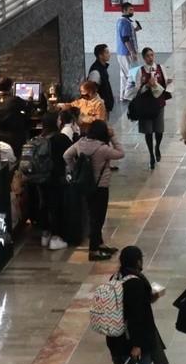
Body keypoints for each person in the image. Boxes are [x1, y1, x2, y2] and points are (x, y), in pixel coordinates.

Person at [102, 246, 163, 364]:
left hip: (116, 337)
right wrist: (137, 344)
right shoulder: (135, 283)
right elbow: (138, 317)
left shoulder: (116, 278)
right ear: (137, 261)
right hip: (134, 339)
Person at [63, 120, 124, 261]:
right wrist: (113, 137)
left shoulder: (80, 143)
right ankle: (94, 250)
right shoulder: (103, 149)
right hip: (100, 186)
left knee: (93, 214)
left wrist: (74, 170)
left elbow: (66, 155)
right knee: (98, 218)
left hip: (85, 185)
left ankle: (99, 243)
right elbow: (121, 153)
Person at [36, 112, 72, 250]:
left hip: (41, 178)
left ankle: (45, 234)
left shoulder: (39, 138)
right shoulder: (60, 138)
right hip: (56, 178)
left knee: (43, 204)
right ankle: (56, 237)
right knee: (56, 206)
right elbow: (72, 152)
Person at [115, 2, 141, 101]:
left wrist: (137, 28)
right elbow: (125, 38)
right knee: (133, 73)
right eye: (130, 10)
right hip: (127, 53)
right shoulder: (124, 22)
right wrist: (132, 52)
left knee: (125, 74)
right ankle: (129, 95)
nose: (132, 11)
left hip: (122, 52)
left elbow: (129, 33)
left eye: (132, 9)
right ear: (124, 10)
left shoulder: (124, 21)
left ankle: (123, 95)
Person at [85, 43, 116, 115]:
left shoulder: (102, 67)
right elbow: (91, 92)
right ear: (100, 55)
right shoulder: (96, 71)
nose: (109, 54)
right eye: (107, 52)